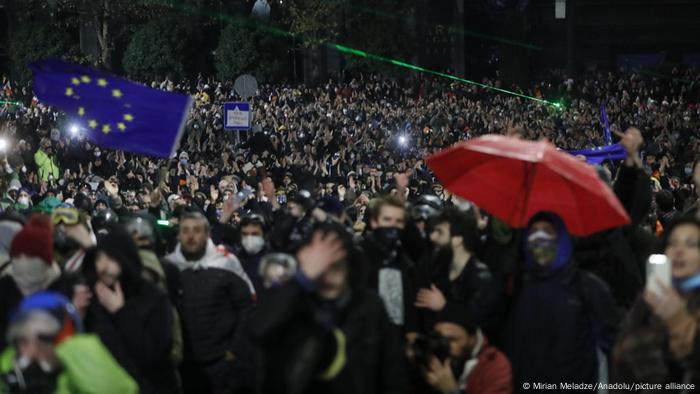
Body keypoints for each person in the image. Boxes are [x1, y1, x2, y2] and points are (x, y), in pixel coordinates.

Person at [251, 222, 408, 394]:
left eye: (336, 253)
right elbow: (258, 330)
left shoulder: (369, 305)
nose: (330, 261)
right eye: (321, 255)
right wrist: (302, 278)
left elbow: (391, 371)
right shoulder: (293, 302)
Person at [504, 212, 619, 393]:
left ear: (562, 238)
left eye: (547, 231)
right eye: (533, 231)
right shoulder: (516, 285)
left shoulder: (587, 287)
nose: (539, 237)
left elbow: (613, 349)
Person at [81, 225, 178, 394]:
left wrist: (121, 313)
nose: (103, 266)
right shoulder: (92, 295)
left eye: (111, 258)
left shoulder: (153, 299)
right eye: (99, 258)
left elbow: (152, 356)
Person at [166, 211, 255, 393]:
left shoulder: (226, 263)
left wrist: (234, 349)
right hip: (183, 364)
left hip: (221, 362)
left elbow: (246, 306)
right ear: (179, 235)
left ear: (207, 235)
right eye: (186, 231)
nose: (191, 236)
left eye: (197, 230)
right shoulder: (168, 267)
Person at [614, 217, 700, 389]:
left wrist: (679, 322)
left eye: (691, 244)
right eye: (673, 243)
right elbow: (622, 361)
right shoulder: (649, 299)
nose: (679, 250)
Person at [0, 291, 138, 394]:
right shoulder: (7, 370)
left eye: (40, 341)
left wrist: (76, 350)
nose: (30, 351)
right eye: (22, 342)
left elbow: (119, 390)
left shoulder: (77, 375)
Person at [416, 208, 499, 338]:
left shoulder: (482, 279)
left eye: (439, 232)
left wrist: (444, 307)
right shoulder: (438, 268)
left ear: (458, 239)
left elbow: (478, 323)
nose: (432, 237)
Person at [0, 215, 63, 351]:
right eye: (17, 256)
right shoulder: (6, 287)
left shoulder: (59, 291)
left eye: (30, 256)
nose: (23, 261)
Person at [360, 196, 418, 334]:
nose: (393, 225)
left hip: (398, 339)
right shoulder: (358, 255)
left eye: (398, 221)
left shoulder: (405, 259)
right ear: (374, 222)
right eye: (387, 219)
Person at [420, 311, 512, 394]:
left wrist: (451, 391)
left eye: (451, 340)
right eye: (439, 339)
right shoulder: (436, 357)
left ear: (472, 338)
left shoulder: (495, 365)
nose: (445, 346)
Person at [232, 213, 271, 292]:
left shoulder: (271, 260)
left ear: (264, 235)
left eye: (255, 234)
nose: (249, 238)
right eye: (245, 234)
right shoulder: (235, 259)